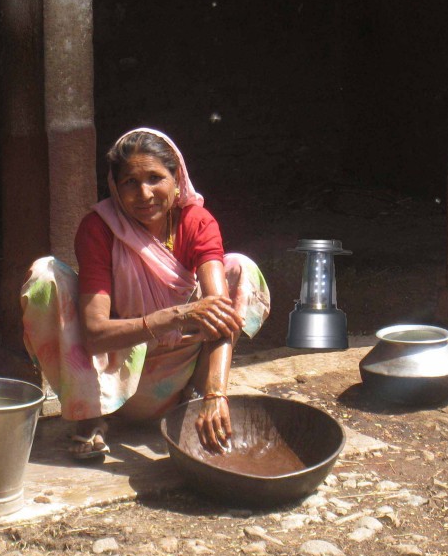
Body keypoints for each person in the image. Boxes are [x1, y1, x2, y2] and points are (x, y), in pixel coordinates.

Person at [20, 128, 270, 458]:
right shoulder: (99, 229)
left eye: (155, 178)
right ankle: (89, 422)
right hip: (110, 377)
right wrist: (178, 315)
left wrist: (215, 394)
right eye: (130, 183)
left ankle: (194, 401)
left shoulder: (196, 222)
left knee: (240, 267)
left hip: (176, 376)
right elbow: (94, 333)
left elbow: (219, 313)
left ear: (177, 180)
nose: (144, 193)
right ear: (114, 187)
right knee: (44, 276)